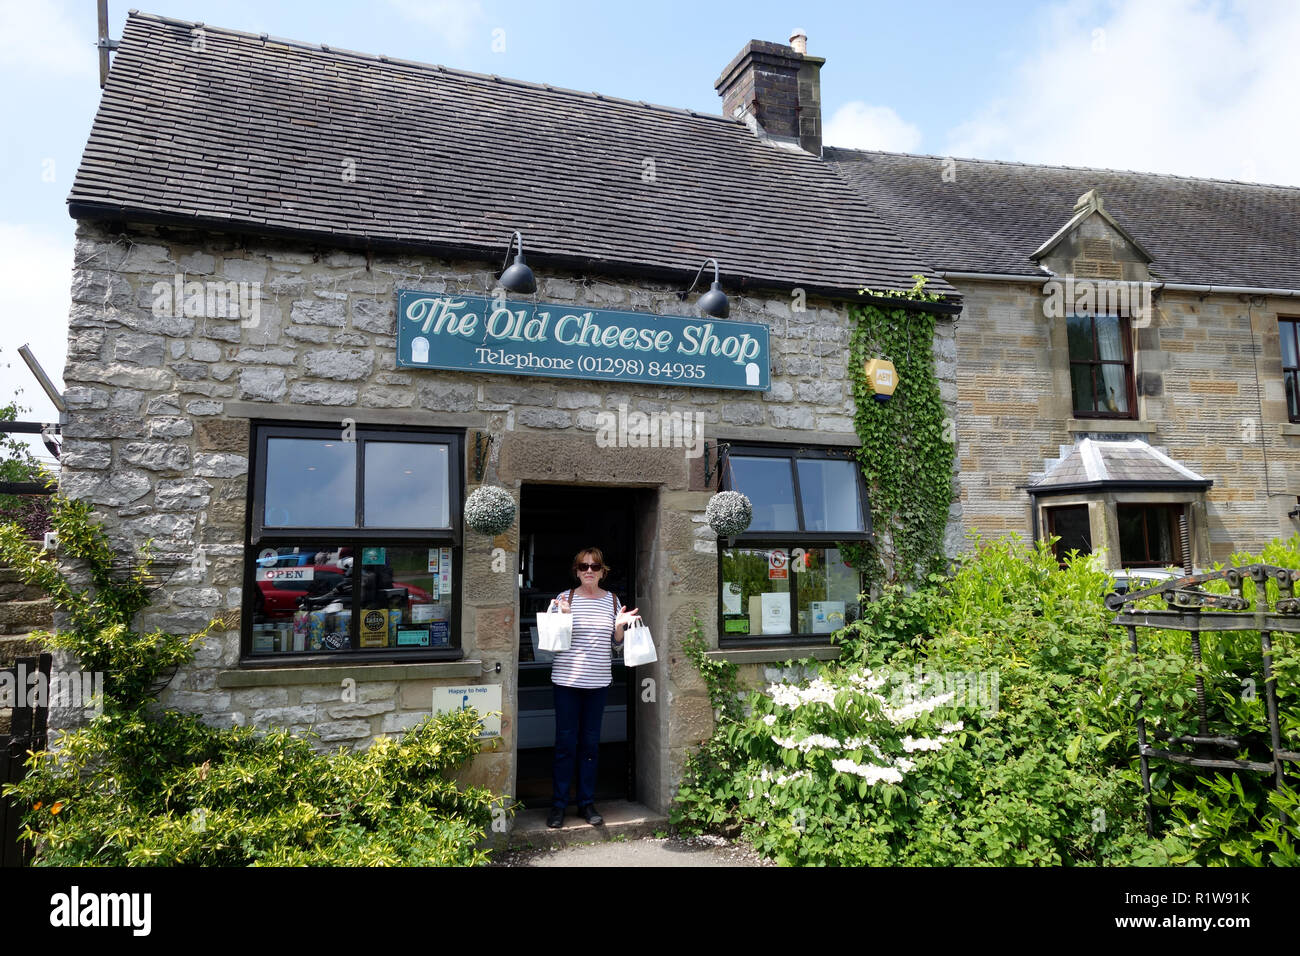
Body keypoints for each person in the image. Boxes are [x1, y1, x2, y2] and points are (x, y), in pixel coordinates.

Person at [547, 546, 638, 828]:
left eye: (595, 567)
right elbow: (551, 644)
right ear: (576, 571)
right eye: (584, 566)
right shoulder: (564, 598)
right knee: (565, 745)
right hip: (566, 682)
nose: (589, 571)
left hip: (598, 683)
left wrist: (620, 626)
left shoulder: (612, 601)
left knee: (589, 746)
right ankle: (558, 805)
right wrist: (563, 616)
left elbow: (616, 647)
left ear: (602, 572)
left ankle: (586, 803)